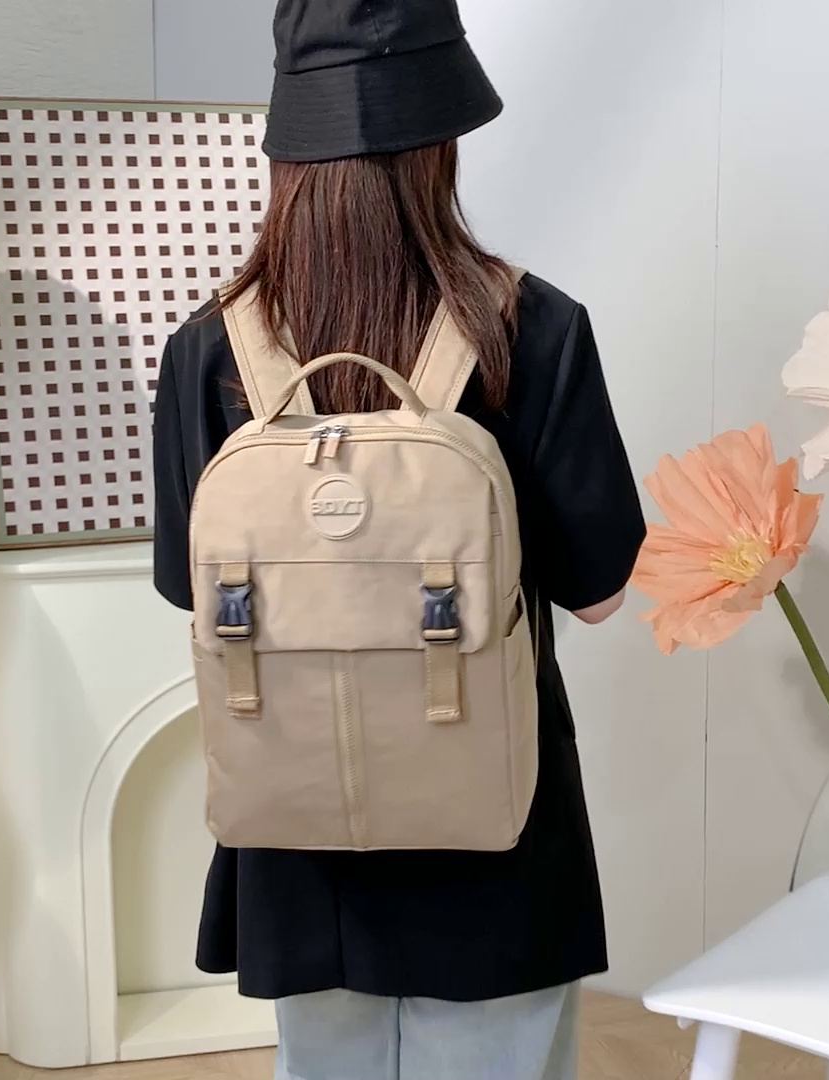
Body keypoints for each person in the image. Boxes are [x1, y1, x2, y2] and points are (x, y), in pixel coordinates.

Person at [152, 1, 646, 1076]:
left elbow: (192, 595)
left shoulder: (210, 350)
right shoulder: (533, 327)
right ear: (440, 141)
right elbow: (601, 591)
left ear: (289, 148)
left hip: (293, 827)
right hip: (492, 814)